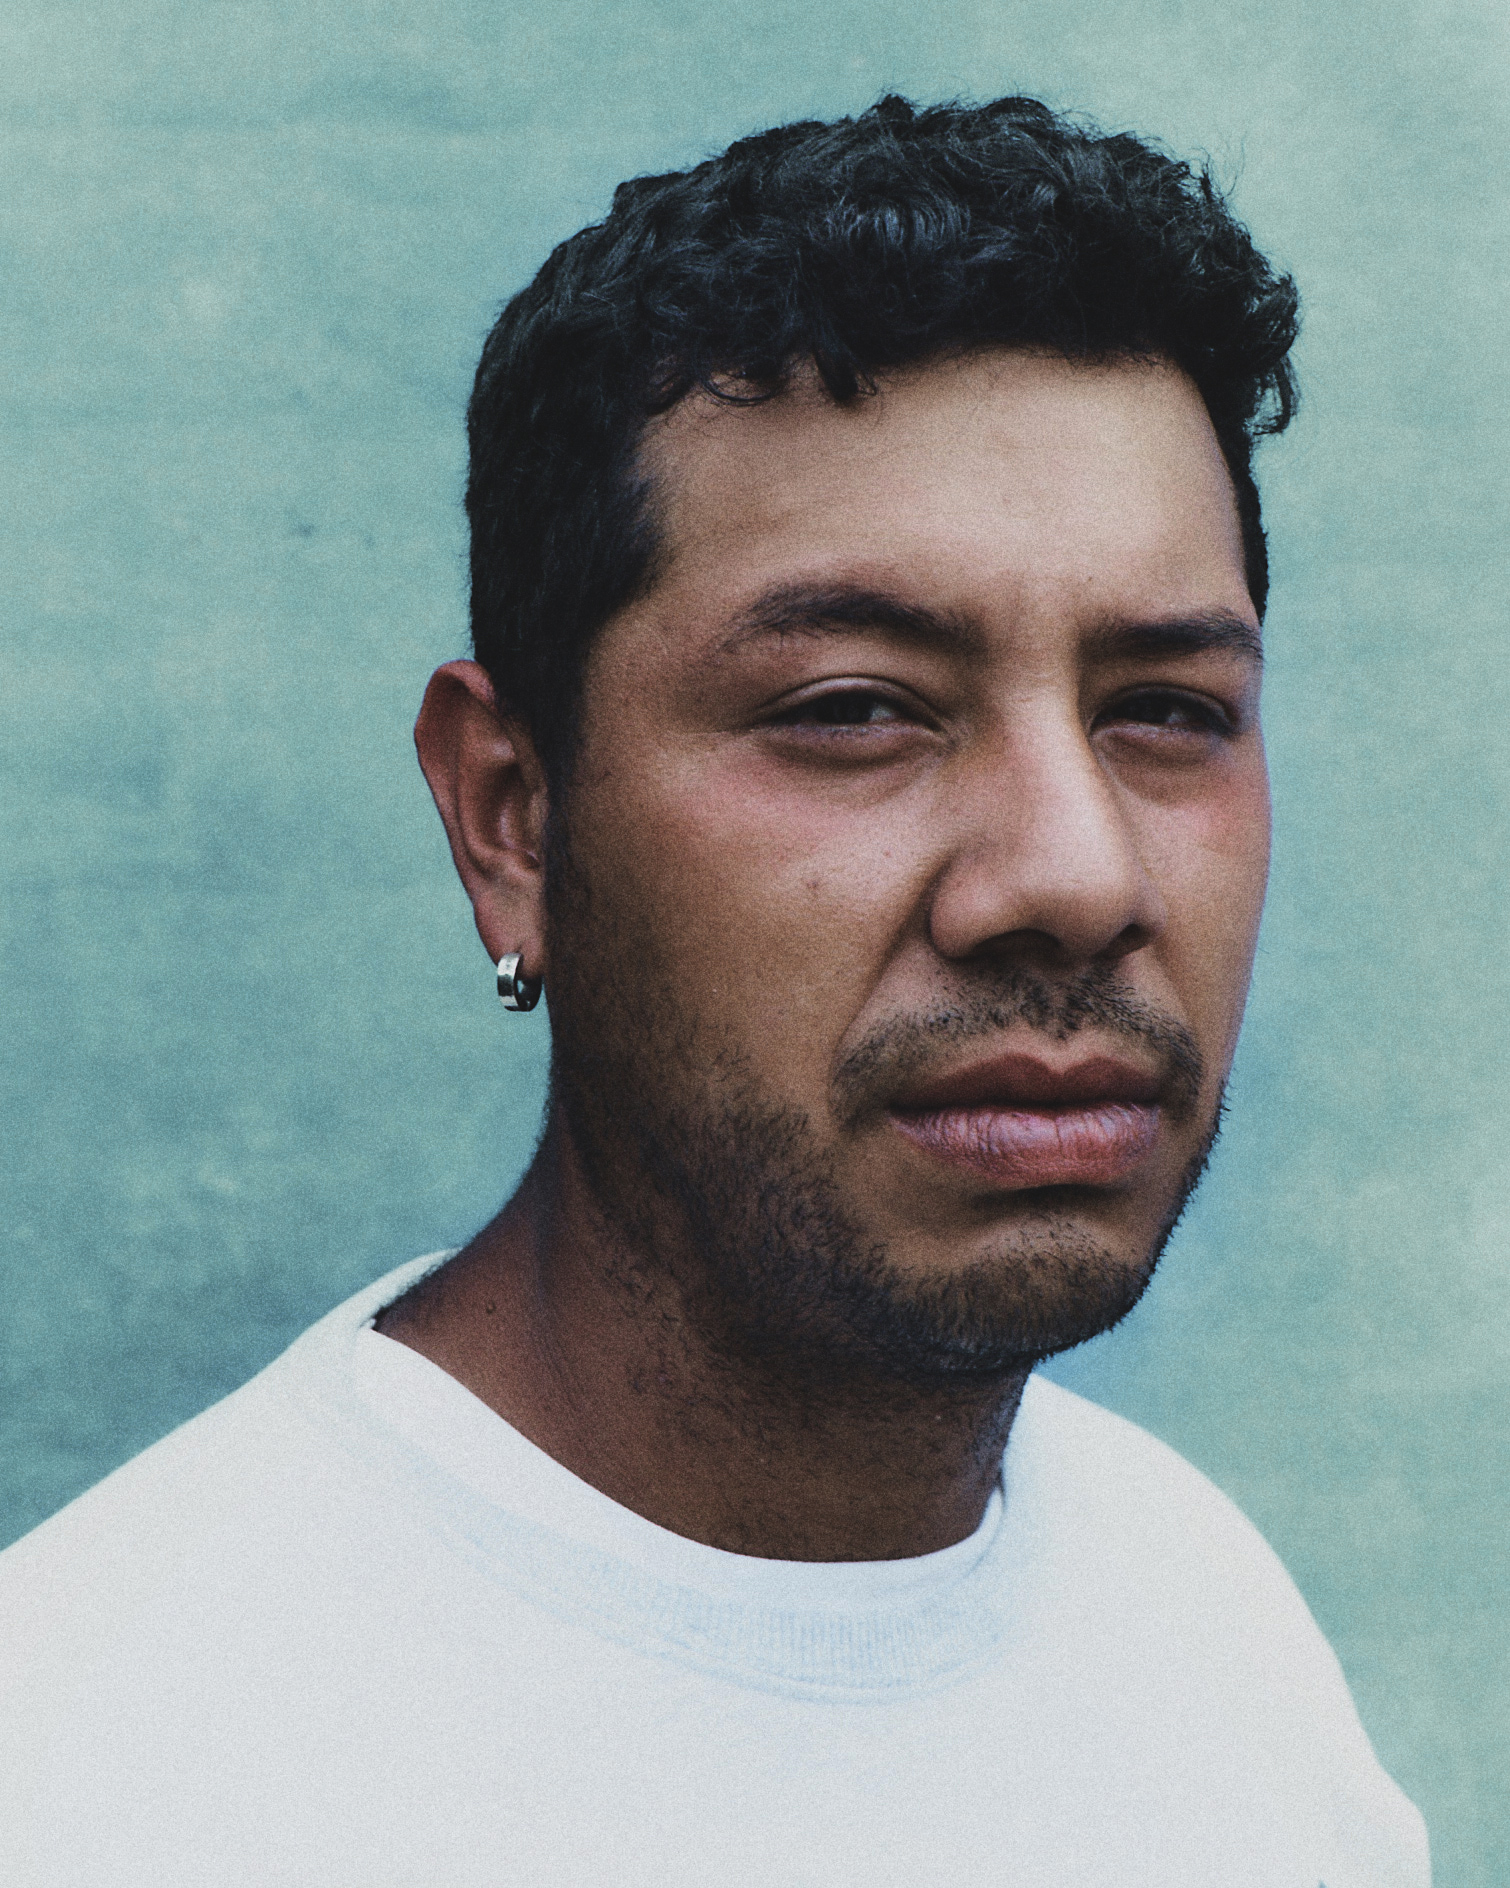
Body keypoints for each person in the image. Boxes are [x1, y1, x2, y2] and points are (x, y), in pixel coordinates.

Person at [0, 95, 1429, 1885]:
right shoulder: (93, 1781)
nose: (1073, 875)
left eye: (1163, 710)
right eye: (851, 708)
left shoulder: (1209, 1640)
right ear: (511, 820)